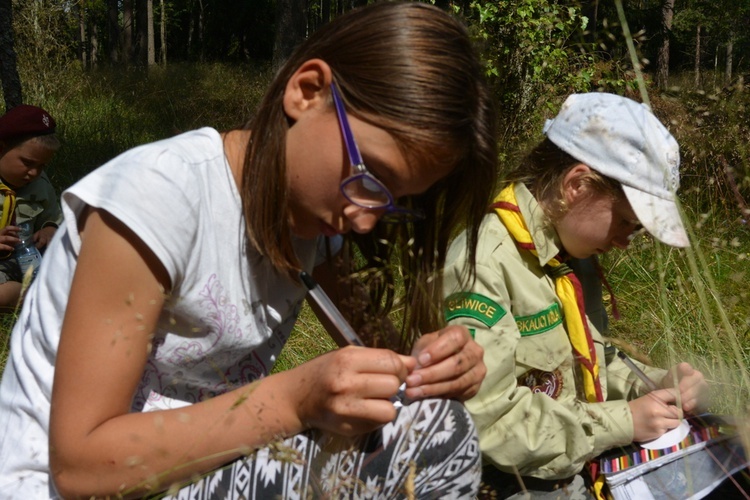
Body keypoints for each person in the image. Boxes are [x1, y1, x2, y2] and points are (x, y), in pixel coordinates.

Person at [0, 2, 498, 498]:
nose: (366, 218)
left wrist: (431, 367)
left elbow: (380, 354)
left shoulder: (315, 223)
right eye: (369, 176)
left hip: (190, 473)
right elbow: (79, 468)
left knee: (434, 423)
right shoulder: (156, 200)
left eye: (395, 202)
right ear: (307, 92)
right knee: (437, 437)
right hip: (62, 486)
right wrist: (295, 400)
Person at [442, 92, 710, 499]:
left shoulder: (566, 253)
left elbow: (579, 367)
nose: (625, 242)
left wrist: (649, 387)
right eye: (626, 223)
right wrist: (625, 421)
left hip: (576, 468)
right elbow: (490, 422)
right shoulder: (482, 267)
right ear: (577, 185)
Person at [0, 104, 63, 310]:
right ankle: (35, 297)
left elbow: (53, 214)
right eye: (27, 163)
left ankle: (51, 290)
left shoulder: (40, 184)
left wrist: (49, 228)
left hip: (31, 257)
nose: (34, 173)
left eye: (41, 166)